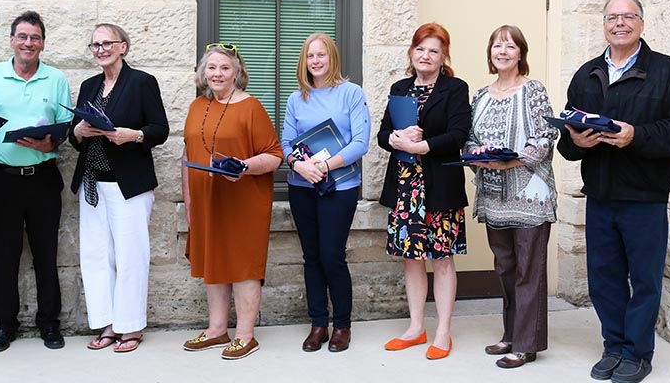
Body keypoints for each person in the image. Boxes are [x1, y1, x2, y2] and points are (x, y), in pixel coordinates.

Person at [558, 0, 670, 383]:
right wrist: (577, 143)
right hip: (600, 195)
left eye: (628, 16)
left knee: (645, 280)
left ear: (641, 23)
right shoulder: (586, 73)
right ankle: (614, 346)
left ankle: (637, 353)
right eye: (612, 17)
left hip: (644, 197)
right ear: (604, 24)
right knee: (604, 278)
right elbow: (567, 139)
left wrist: (636, 135)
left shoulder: (667, 72)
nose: (620, 22)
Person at [0, 11, 73, 352]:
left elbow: (64, 129)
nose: (29, 43)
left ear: (42, 43)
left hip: (43, 179)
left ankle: (49, 324)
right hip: (2, 179)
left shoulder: (56, 79)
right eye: (23, 36)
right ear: (12, 39)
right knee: (4, 255)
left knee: (46, 254)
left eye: (36, 37)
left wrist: (50, 143)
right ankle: (4, 325)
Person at [68, 23, 169, 352]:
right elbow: (73, 136)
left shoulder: (141, 82)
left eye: (107, 43)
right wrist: (80, 130)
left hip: (129, 183)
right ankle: (107, 324)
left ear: (123, 46)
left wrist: (133, 135)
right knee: (96, 256)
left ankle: (131, 327)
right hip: (92, 182)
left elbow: (159, 129)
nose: (100, 50)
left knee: (130, 257)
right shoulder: (89, 85)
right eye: (95, 45)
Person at [181, 43, 283, 360]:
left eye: (225, 68)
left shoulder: (251, 107)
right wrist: (189, 203)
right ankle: (216, 330)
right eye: (212, 67)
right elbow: (187, 155)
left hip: (243, 200)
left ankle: (244, 334)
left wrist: (245, 167)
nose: (217, 74)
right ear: (203, 73)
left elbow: (274, 156)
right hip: (205, 201)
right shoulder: (197, 105)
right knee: (215, 261)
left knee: (242, 264)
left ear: (237, 73)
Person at [465, 25, 558, 369]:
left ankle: (527, 344)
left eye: (509, 45)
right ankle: (511, 334)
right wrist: (480, 153)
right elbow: (470, 140)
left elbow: (547, 136)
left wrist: (515, 159)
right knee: (505, 267)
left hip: (529, 195)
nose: (502, 51)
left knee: (528, 270)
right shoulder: (481, 96)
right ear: (490, 54)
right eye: (496, 46)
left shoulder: (532, 90)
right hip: (494, 197)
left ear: (521, 53)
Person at [378, 23, 470, 359]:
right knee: (412, 259)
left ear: (444, 55)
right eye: (420, 49)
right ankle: (416, 327)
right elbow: (383, 133)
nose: (425, 55)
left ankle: (443, 332)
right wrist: (395, 139)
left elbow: (459, 134)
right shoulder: (400, 87)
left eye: (433, 50)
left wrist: (423, 147)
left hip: (439, 186)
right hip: (406, 188)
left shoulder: (455, 88)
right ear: (411, 53)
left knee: (442, 259)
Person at [280, 33, 370, 353]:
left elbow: (360, 143)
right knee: (312, 257)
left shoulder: (351, 93)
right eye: (310, 56)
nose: (315, 61)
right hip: (302, 186)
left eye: (321, 55)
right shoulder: (296, 98)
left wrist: (324, 167)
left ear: (332, 58)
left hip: (339, 187)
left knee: (333, 256)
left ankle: (342, 325)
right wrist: (299, 166)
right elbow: (285, 143)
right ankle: (318, 323)